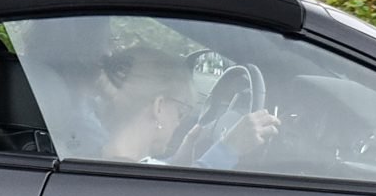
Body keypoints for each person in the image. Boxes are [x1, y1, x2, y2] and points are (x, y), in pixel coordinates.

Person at [87, 45, 277, 168]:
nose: (179, 122)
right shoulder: (132, 179)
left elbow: (155, 176)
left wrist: (179, 162)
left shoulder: (98, 159)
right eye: (181, 111)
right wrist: (228, 149)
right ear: (159, 107)